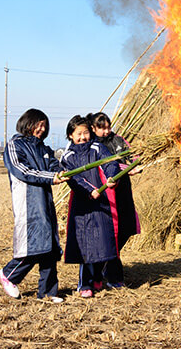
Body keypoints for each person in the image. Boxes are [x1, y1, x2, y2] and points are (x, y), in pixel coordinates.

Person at [0, 108, 66, 303]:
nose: (41, 129)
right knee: (33, 245)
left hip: (45, 201)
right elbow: (23, 170)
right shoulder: (15, 145)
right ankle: (8, 274)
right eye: (38, 124)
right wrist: (51, 177)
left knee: (50, 248)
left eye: (45, 125)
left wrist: (67, 172)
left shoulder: (44, 149)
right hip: (28, 202)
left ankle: (48, 292)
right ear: (27, 123)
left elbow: (56, 166)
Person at [60, 115, 121, 298]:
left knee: (102, 240)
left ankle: (97, 278)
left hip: (100, 200)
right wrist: (89, 190)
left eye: (86, 132)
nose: (83, 137)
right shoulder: (67, 156)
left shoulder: (97, 147)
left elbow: (111, 162)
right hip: (82, 202)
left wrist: (112, 178)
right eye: (78, 133)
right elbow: (74, 178)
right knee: (85, 244)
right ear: (71, 135)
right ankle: (84, 284)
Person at [88, 112, 140, 287]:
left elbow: (134, 157)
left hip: (122, 190)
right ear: (93, 128)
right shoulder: (91, 144)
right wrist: (122, 168)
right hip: (104, 192)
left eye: (108, 126)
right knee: (109, 232)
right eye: (102, 128)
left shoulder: (118, 140)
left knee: (125, 228)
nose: (106, 131)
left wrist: (134, 166)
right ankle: (110, 274)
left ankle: (105, 266)